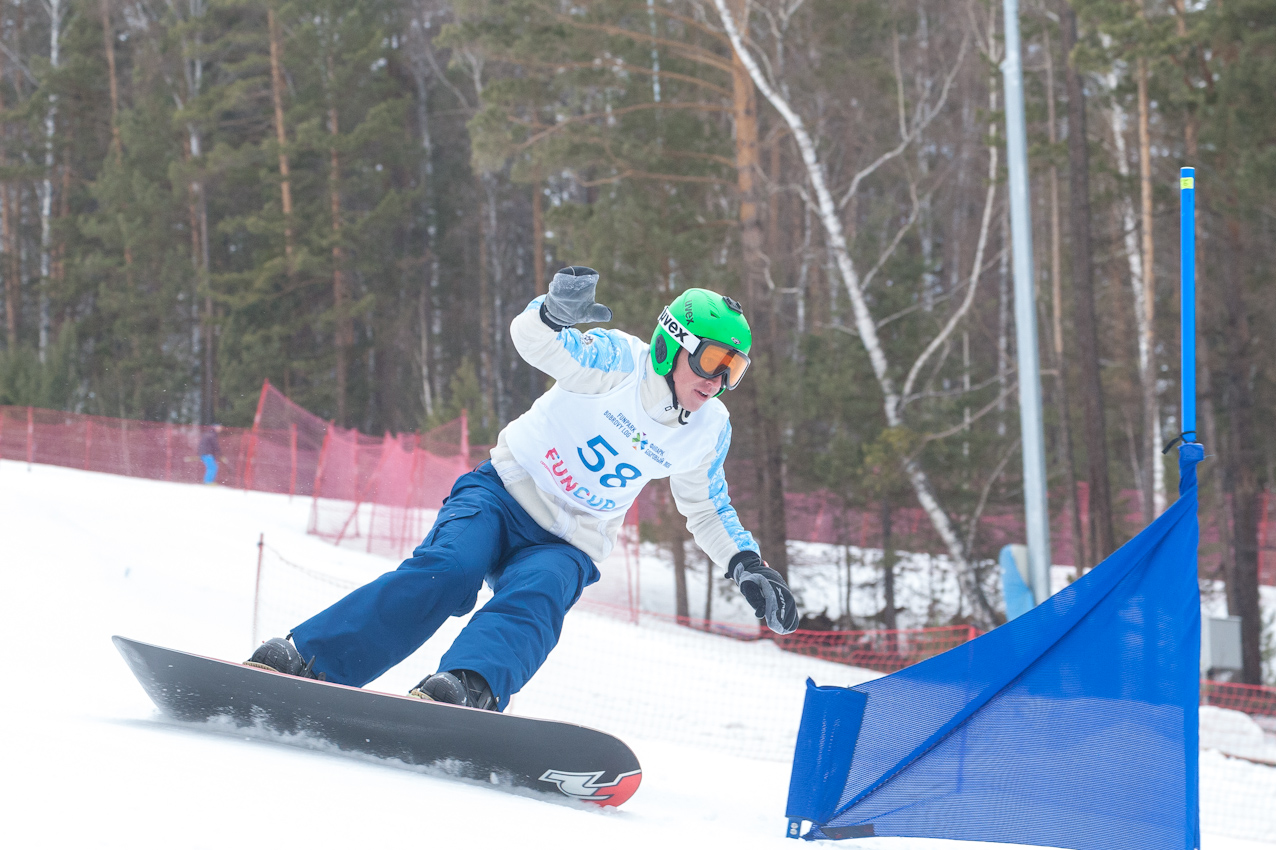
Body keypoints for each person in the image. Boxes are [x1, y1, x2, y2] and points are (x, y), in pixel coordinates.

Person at [247, 267, 797, 710]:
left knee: (538, 596)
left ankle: (467, 689)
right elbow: (536, 343)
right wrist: (552, 314)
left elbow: (708, 508)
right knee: (449, 569)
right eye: (712, 360)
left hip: (570, 540)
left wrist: (747, 564)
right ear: (670, 345)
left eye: (734, 369)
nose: (717, 381)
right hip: (502, 493)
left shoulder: (708, 428)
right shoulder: (616, 362)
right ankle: (312, 660)